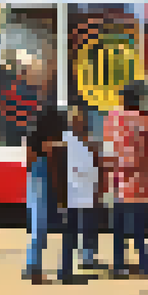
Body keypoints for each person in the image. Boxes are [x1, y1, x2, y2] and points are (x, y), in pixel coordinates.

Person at [105, 83, 148, 279]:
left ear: (122, 100)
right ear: (138, 99)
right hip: (140, 184)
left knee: (118, 227)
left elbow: (107, 149)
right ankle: (144, 262)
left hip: (118, 183)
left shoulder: (112, 119)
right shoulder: (147, 121)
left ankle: (119, 264)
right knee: (139, 228)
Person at [23, 107, 64, 285]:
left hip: (35, 176)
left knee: (37, 222)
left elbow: (29, 159)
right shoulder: (56, 138)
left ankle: (33, 266)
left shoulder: (33, 135)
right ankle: (34, 268)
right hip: (45, 174)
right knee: (40, 224)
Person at [63, 106, 100, 281]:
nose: (80, 122)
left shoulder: (88, 139)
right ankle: (67, 266)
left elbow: (95, 161)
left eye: (82, 119)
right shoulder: (66, 140)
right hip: (72, 190)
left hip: (88, 190)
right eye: (77, 119)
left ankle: (87, 256)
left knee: (89, 225)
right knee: (71, 230)